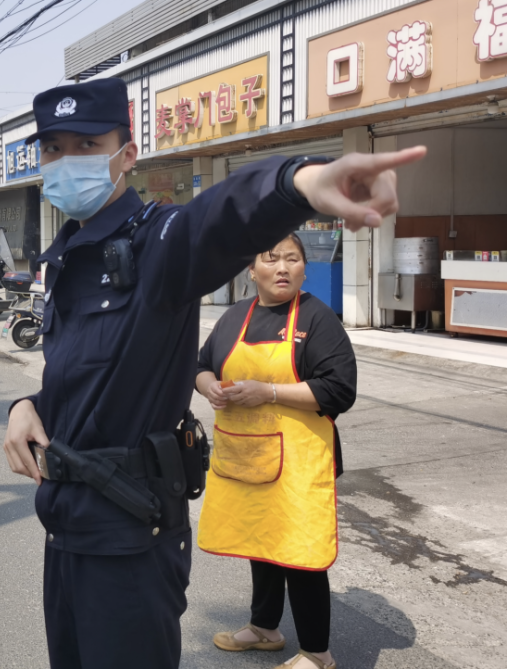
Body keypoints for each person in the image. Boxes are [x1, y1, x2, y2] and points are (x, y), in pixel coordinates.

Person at [1, 77, 424, 669]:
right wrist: (27, 405)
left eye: (86, 145)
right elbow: (83, 380)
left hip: (128, 539)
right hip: (65, 529)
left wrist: (300, 182)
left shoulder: (156, 243)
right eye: (53, 148)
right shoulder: (68, 260)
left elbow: (216, 218)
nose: (65, 161)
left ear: (127, 156)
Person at [195, 233, 356, 669]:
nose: (283, 267)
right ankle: (265, 628)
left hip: (301, 462)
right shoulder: (234, 318)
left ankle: (317, 653)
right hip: (247, 456)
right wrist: (209, 386)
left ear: (304, 269)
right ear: (252, 270)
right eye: (272, 259)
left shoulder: (318, 320)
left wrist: (268, 391)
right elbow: (201, 364)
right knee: (260, 543)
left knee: (302, 553)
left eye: (293, 259)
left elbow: (339, 390)